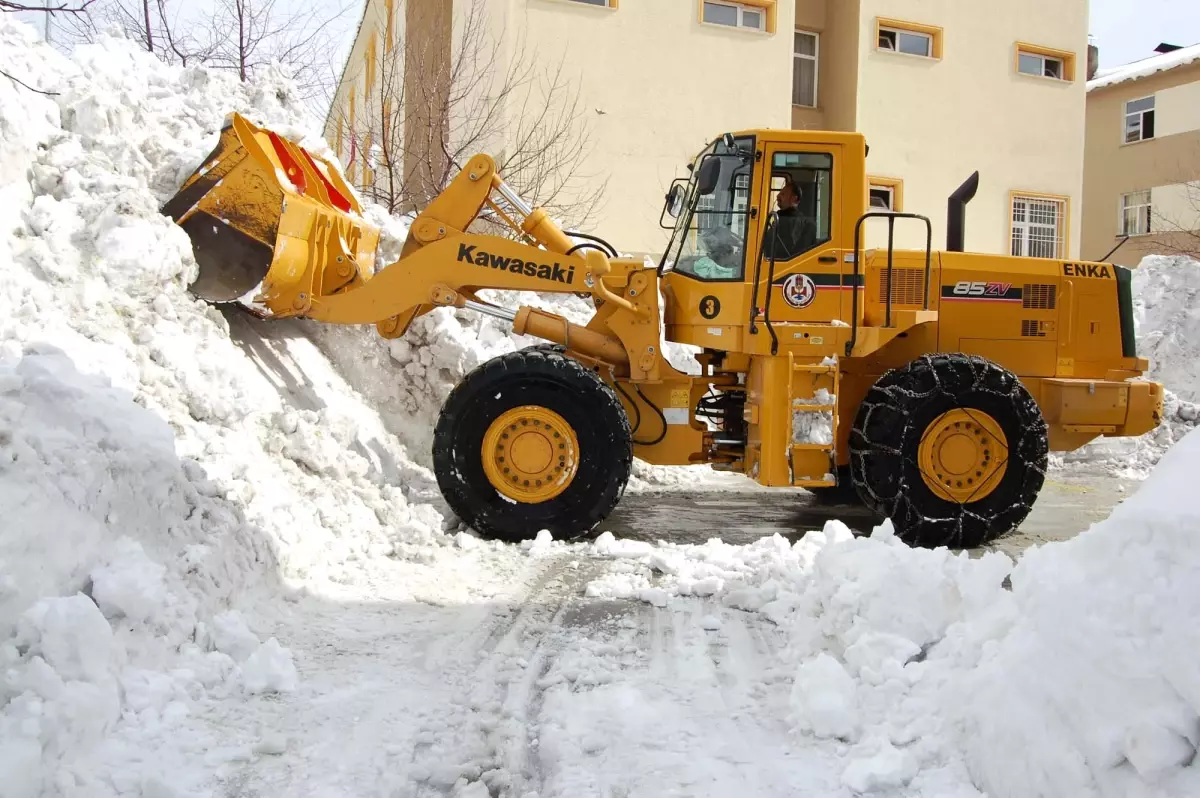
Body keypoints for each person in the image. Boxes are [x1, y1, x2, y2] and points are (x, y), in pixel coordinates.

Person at [763, 176, 816, 262]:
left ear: (794, 199)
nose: (778, 196)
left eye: (783, 194)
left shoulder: (789, 221)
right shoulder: (778, 217)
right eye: (779, 193)